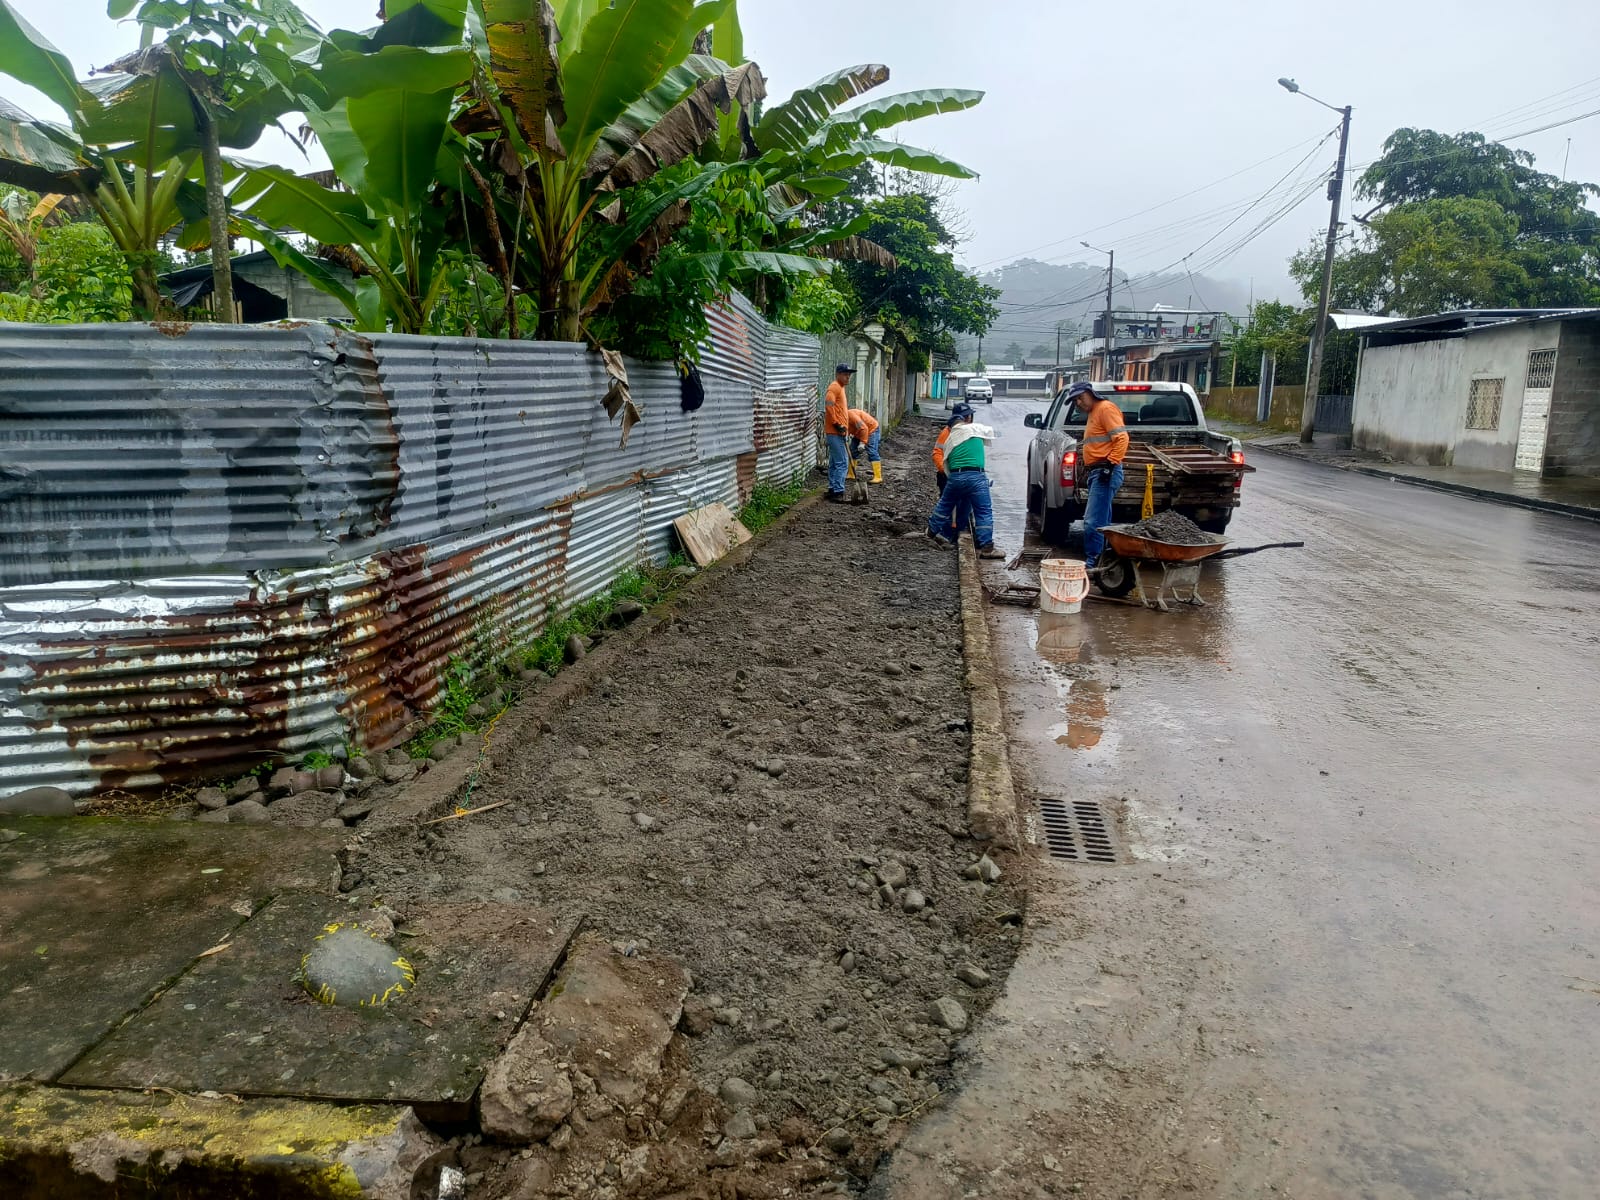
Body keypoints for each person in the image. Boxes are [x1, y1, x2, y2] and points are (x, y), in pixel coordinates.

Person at [926, 403, 1004, 558]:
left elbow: (946, 460)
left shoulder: (950, 436)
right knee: (983, 511)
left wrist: (949, 475)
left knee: (945, 505)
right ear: (966, 419)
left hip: (955, 476)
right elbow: (993, 433)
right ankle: (986, 547)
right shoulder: (976, 429)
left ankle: (931, 533)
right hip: (976, 477)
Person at [1071, 381, 1130, 569]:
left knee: (1093, 522)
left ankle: (1094, 563)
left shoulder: (1105, 409)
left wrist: (1110, 465)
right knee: (1102, 521)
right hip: (1098, 472)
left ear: (1090, 393)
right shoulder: (1094, 412)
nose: (1078, 402)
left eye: (1080, 397)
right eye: (1075, 400)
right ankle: (1104, 562)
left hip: (1105, 472)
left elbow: (1122, 438)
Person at [824, 364, 855, 501]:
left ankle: (832, 489)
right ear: (838, 374)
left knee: (834, 462)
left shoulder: (840, 388)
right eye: (845, 374)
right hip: (835, 431)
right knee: (842, 462)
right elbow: (828, 406)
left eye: (849, 375)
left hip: (838, 432)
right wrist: (837, 424)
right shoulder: (834, 387)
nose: (848, 377)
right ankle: (838, 491)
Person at [847, 408, 882, 482]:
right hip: (858, 433)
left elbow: (864, 428)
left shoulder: (852, 417)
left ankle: (878, 477)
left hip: (871, 430)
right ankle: (851, 474)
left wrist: (862, 443)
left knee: (872, 451)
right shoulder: (840, 420)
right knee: (852, 451)